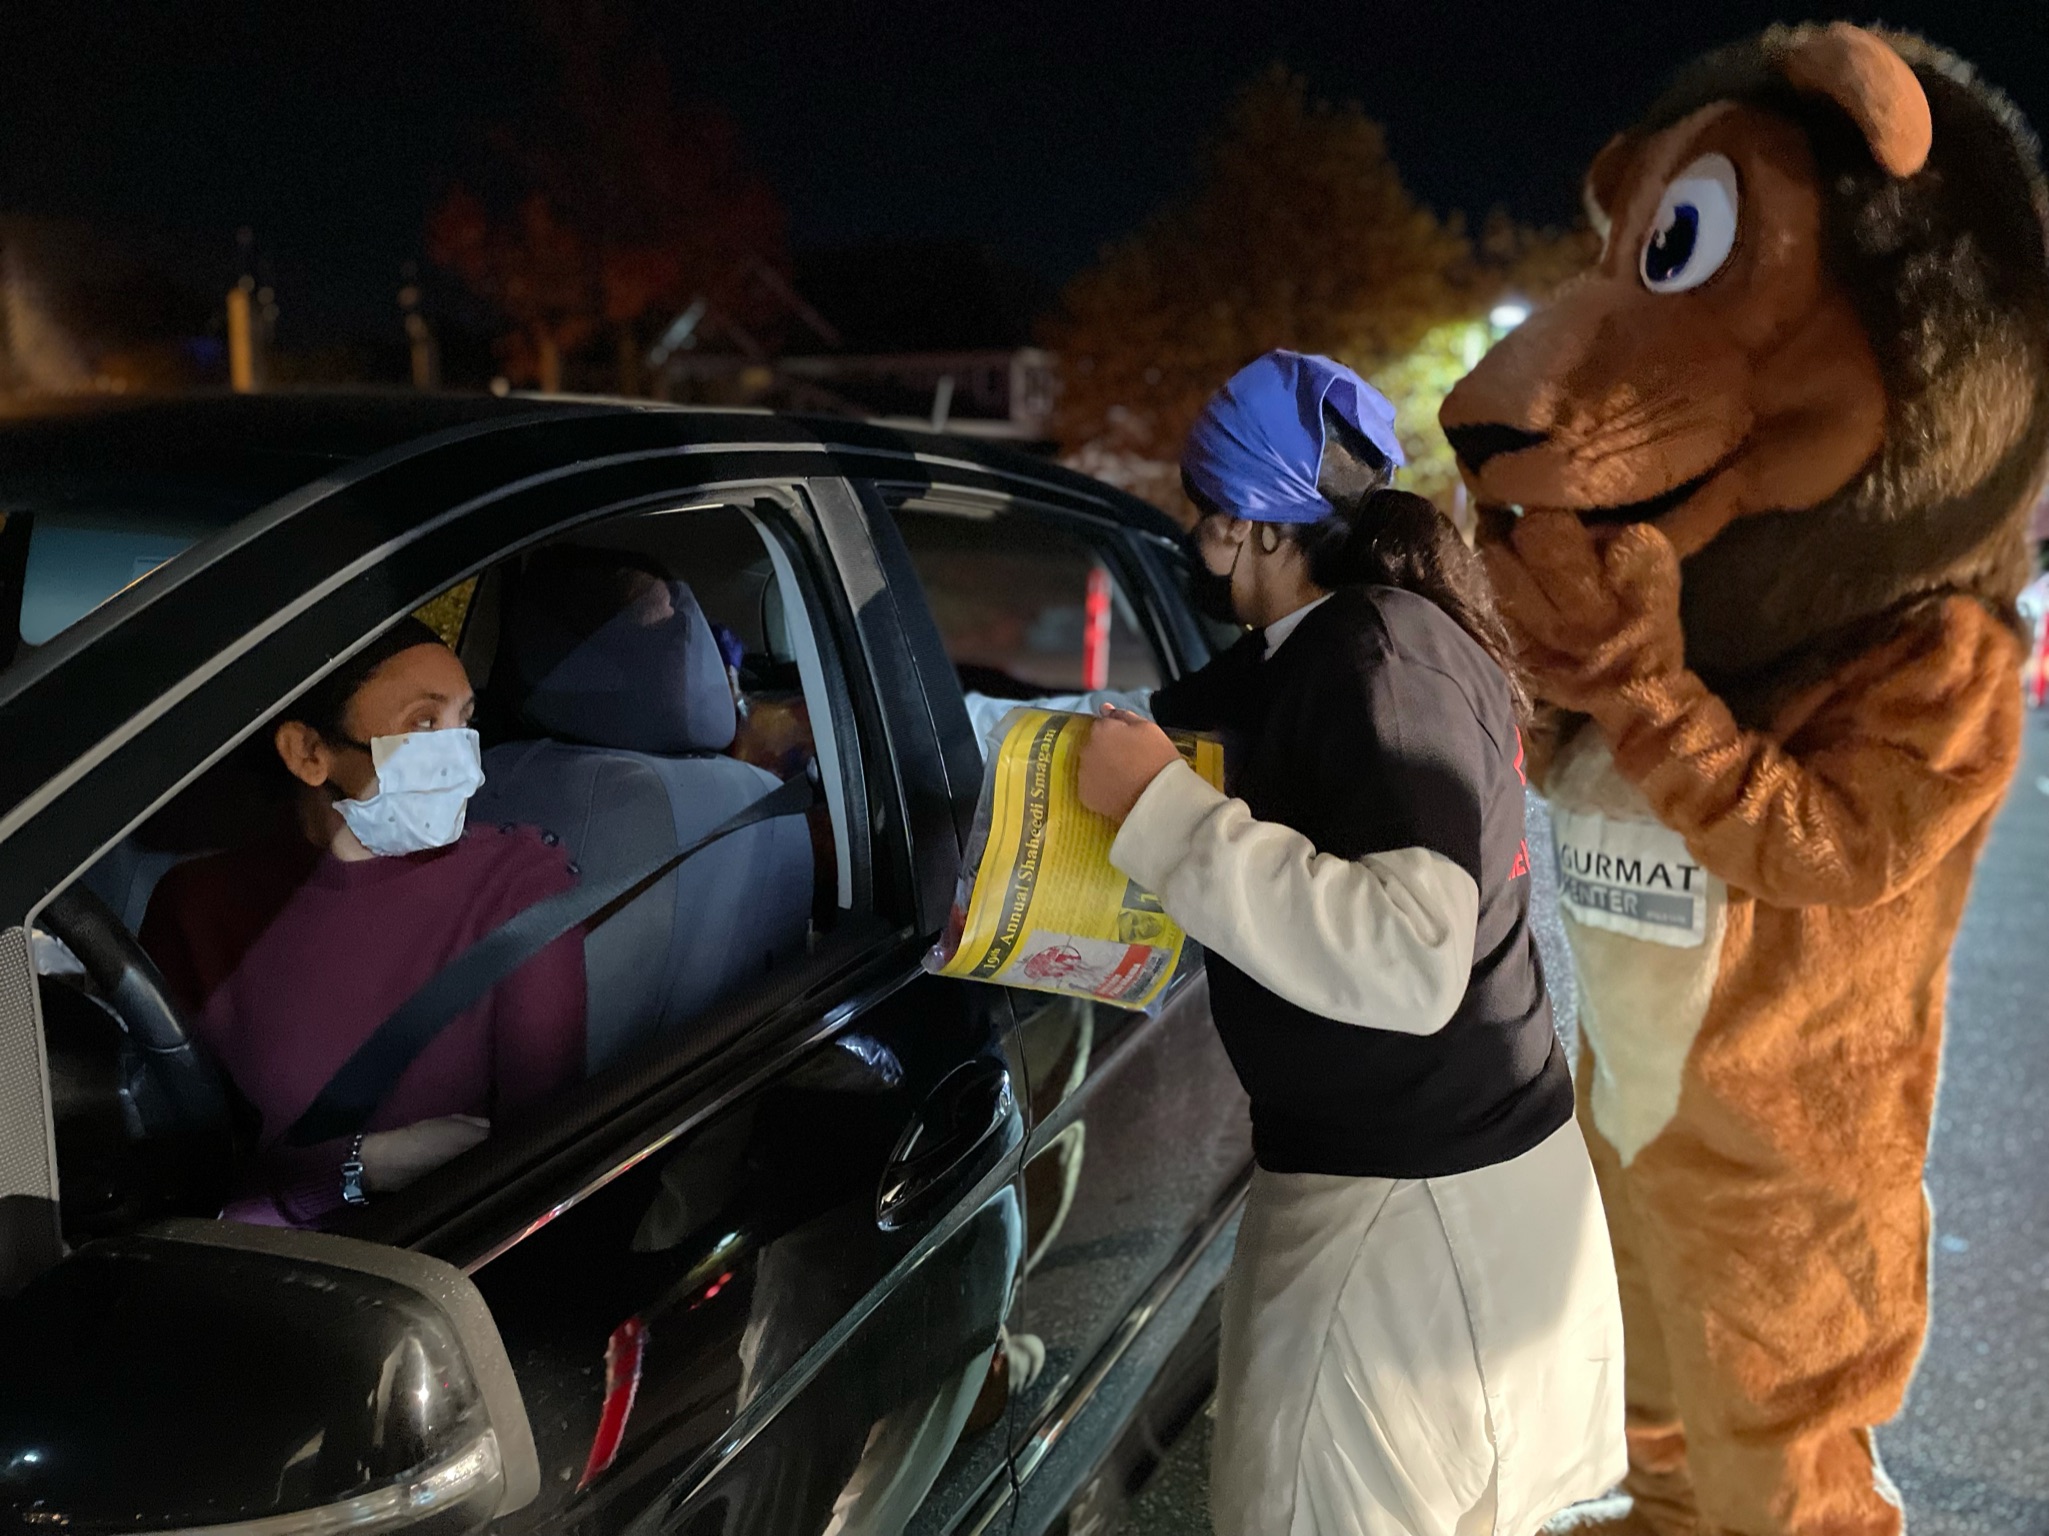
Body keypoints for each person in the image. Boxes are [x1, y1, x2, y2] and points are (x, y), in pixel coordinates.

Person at [1076, 351, 1624, 1536]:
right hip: (1452, 1202)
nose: (1197, 542)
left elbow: (1411, 955)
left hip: (1408, 1233)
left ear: (1244, 525)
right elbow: (1152, 732)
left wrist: (1163, 814)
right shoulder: (1337, 648)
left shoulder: (1376, 655)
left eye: (1201, 514)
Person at [142, 618, 586, 1227]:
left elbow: (538, 1157)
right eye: (423, 724)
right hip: (238, 1259)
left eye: (465, 721)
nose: (465, 765)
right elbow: (170, 1165)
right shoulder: (196, 904)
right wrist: (361, 1165)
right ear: (309, 753)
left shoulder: (518, 883)